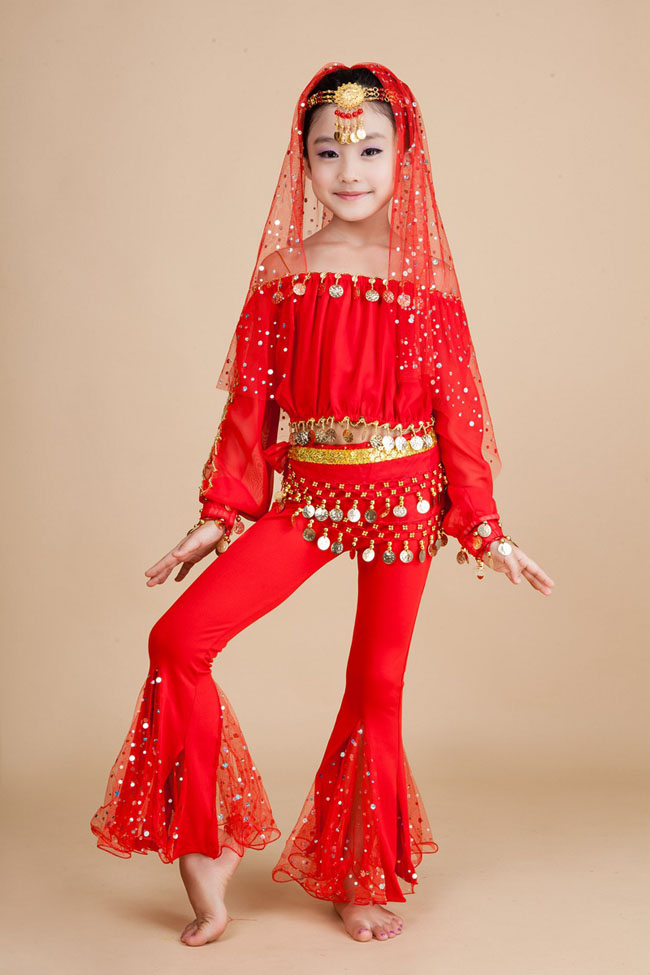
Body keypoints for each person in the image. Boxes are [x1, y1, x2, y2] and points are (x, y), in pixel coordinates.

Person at [89, 60, 555, 948]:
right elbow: (251, 408)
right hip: (308, 496)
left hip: (406, 501)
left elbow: (458, 414)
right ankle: (210, 840)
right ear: (302, 162)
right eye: (328, 151)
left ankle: (356, 874)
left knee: (376, 685)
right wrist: (220, 513)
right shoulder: (285, 274)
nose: (350, 169)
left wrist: (485, 527)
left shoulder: (427, 282)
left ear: (404, 155)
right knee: (178, 640)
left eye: (371, 148)